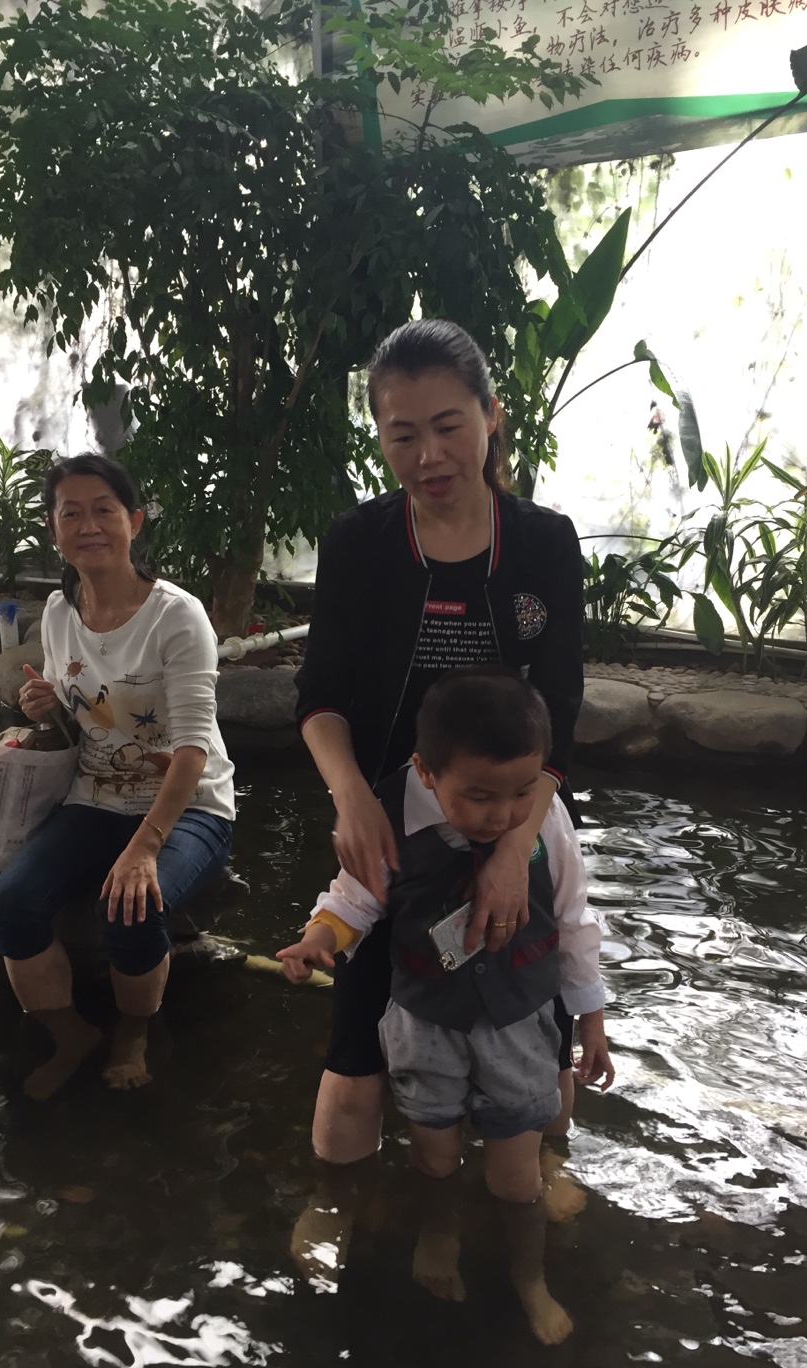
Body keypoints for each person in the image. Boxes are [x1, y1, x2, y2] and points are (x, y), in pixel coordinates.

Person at [294, 319, 586, 1169]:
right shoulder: (359, 543)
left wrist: (517, 845)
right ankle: (340, 1204)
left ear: (491, 416)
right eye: (403, 435)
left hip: (520, 810)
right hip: (395, 820)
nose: (428, 455)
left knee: (539, 1027)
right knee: (356, 1050)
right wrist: (353, 797)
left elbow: (559, 707)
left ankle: (543, 1183)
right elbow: (321, 697)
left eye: (449, 426)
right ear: (381, 438)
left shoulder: (543, 542)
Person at [279, 670, 612, 1342]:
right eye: (480, 797)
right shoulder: (392, 812)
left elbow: (574, 922)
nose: (503, 815)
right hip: (424, 1023)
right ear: (427, 773)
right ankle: (438, 1231)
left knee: (516, 1173)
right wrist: (319, 938)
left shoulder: (547, 821)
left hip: (517, 1024)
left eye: (521, 791)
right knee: (433, 1153)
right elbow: (354, 899)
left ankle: (529, 1278)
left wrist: (592, 1021)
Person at [0, 454, 235, 1100]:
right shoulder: (58, 611)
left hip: (189, 805)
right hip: (94, 795)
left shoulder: (176, 617)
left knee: (129, 908)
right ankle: (70, 1034)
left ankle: (133, 1031)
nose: (88, 525)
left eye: (104, 510)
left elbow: (193, 749)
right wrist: (45, 706)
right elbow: (80, 721)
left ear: (135, 521)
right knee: (12, 903)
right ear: (54, 528)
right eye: (71, 513)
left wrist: (145, 847)